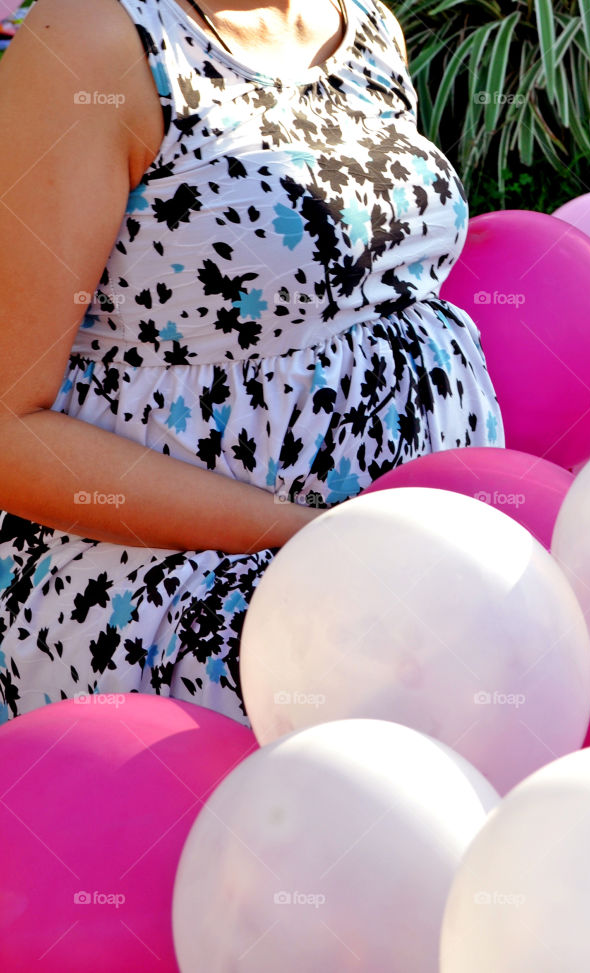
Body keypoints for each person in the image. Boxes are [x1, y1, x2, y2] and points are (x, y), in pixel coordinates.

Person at [0, 0, 504, 724]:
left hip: (411, 559)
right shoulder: (95, 40)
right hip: (188, 592)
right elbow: (8, 428)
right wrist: (310, 538)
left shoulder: (361, 25)